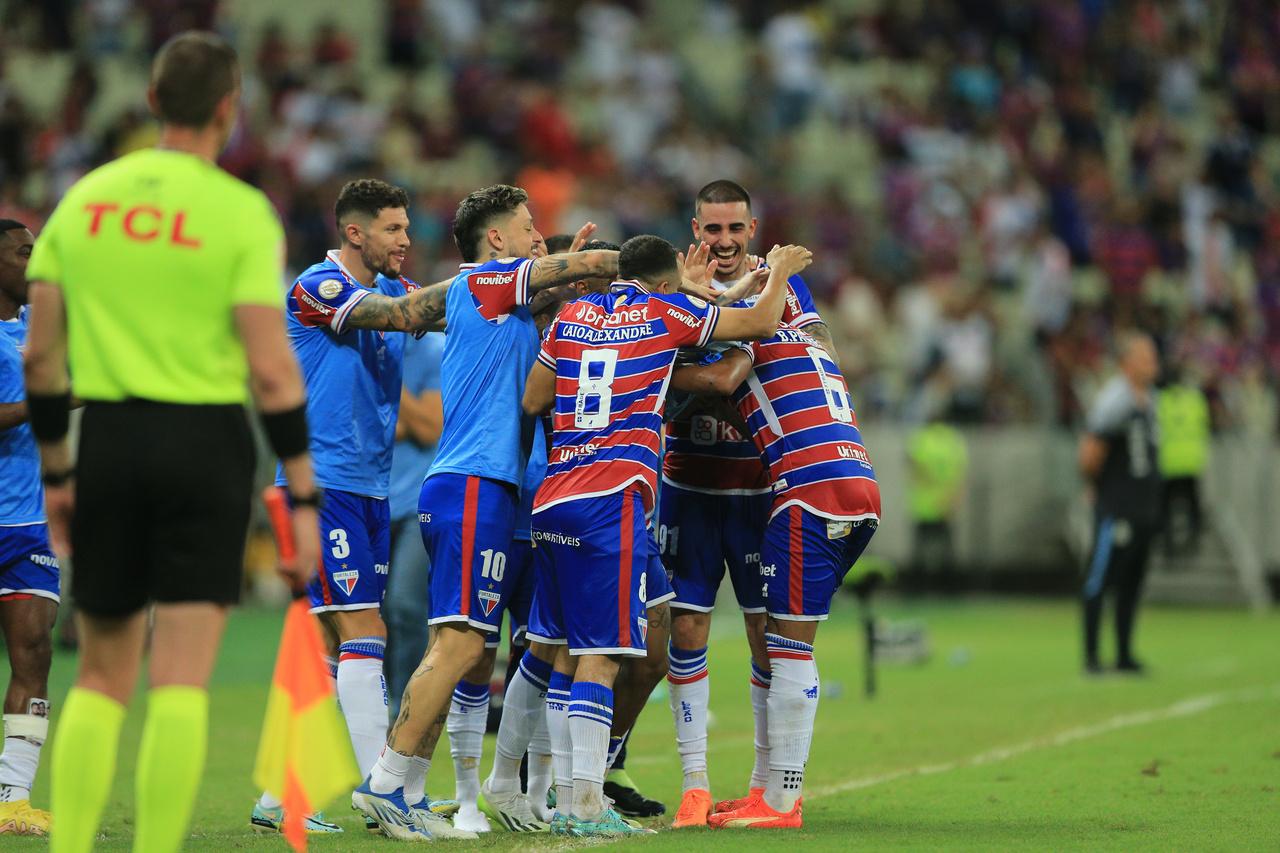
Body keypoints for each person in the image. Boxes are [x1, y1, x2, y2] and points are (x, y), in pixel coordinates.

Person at [21, 32, 320, 853]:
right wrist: (300, 489)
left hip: (110, 440)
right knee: (180, 676)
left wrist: (57, 470)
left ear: (152, 101)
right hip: (207, 448)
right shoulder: (239, 211)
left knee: (103, 674)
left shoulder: (84, 201)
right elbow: (271, 370)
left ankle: (72, 845)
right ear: (230, 109)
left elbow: (42, 356)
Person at [353, 185, 626, 842]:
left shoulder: (478, 297)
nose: (540, 237)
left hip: (470, 485)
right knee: (461, 643)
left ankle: (404, 790)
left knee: (462, 640)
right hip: (475, 484)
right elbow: (584, 268)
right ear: (497, 239)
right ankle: (386, 780)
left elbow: (406, 311)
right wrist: (649, 268)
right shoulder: (497, 279)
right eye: (530, 226)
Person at [522, 235, 809, 837]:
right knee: (598, 657)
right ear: (662, 281)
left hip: (554, 496)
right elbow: (758, 319)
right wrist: (779, 270)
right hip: (613, 497)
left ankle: (539, 793)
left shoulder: (572, 316)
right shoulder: (664, 312)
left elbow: (534, 397)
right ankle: (584, 804)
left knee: (605, 637)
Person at [250, 178, 468, 839]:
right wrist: (499, 278)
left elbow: (443, 316)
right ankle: (386, 787)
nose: (408, 240)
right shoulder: (319, 287)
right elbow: (404, 317)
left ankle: (278, 793)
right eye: (396, 229)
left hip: (368, 488)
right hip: (323, 485)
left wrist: (527, 286)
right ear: (355, 232)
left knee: (326, 641)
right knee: (365, 632)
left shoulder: (393, 292)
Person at [660, 179, 835, 827]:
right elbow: (669, 372)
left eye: (736, 229)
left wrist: (726, 362)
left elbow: (818, 355)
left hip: (758, 487)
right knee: (685, 627)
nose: (725, 241)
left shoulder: (781, 284)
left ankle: (765, 784)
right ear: (696, 228)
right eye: (713, 230)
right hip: (689, 483)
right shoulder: (672, 284)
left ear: (753, 228)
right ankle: (695, 783)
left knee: (770, 635)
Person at [669, 319, 881, 830]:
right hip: (858, 486)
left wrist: (655, 364)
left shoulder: (749, 327)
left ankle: (781, 800)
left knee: (786, 646)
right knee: (782, 637)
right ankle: (761, 790)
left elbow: (720, 381)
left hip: (804, 490)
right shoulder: (807, 342)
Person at [0, 219, 57, 837]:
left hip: (26, 527)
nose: (33, 264)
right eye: (22, 254)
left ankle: (11, 801)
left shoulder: (29, 333)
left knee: (35, 652)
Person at [1079, 331, 1163, 675]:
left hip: (1144, 507)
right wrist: (1093, 486)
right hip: (1117, 506)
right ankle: (1092, 656)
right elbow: (1090, 451)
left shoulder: (1151, 399)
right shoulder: (1114, 400)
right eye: (1145, 357)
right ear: (1126, 363)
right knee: (1101, 580)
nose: (1152, 364)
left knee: (1132, 582)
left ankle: (1125, 653)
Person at [384, 330, 444, 717]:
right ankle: (376, 704)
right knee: (368, 614)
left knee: (405, 607)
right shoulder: (358, 348)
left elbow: (428, 427)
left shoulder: (433, 348)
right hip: (368, 497)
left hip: (416, 501)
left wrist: (386, 383)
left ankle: (405, 710)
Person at [906, 416, 968, 589]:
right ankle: (949, 589)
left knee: (921, 552)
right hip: (946, 503)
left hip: (923, 505)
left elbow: (913, 465)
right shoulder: (954, 440)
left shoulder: (922, 438)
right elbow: (960, 474)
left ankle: (917, 589)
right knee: (946, 551)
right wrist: (955, 499)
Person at [1156, 365, 1210, 555]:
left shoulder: (1160, 401)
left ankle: (1169, 545)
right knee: (1192, 503)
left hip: (1168, 462)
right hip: (1191, 462)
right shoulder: (1196, 400)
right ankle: (1193, 541)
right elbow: (1205, 425)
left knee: (1166, 506)